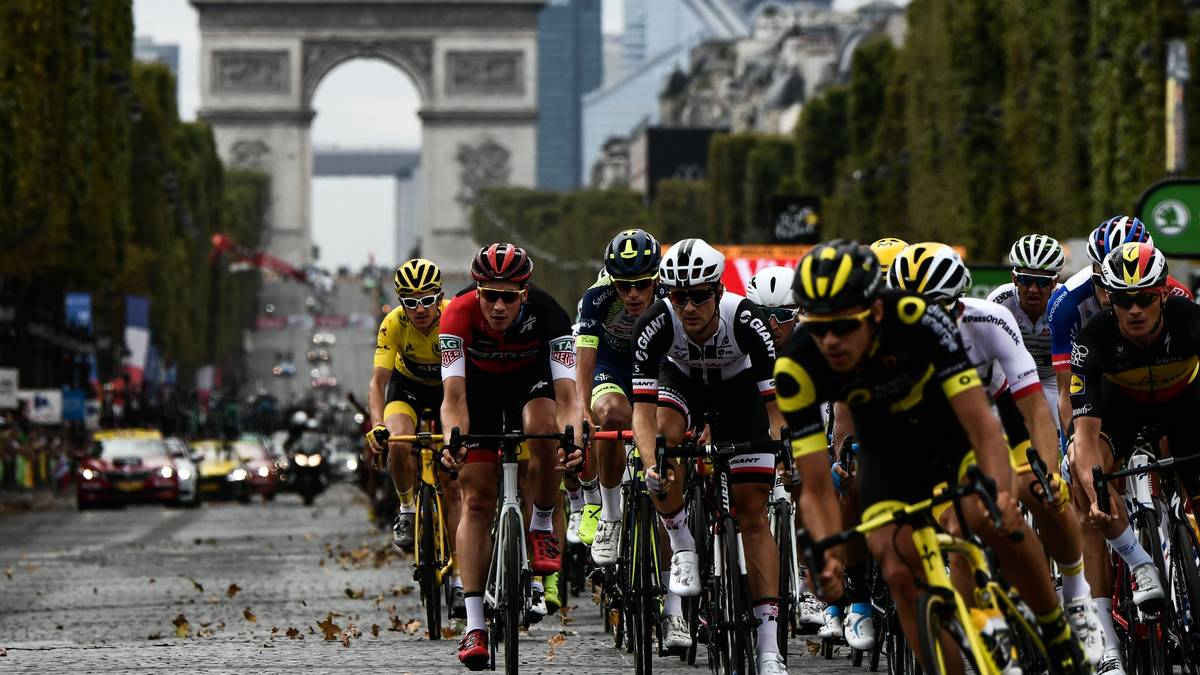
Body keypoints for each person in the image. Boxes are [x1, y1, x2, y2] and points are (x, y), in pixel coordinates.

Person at [777, 240, 1089, 675]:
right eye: (818, 326)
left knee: (990, 515)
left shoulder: (920, 320)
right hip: (888, 450)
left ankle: (1056, 630)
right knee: (896, 565)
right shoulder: (797, 363)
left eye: (845, 326)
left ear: (877, 312)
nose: (830, 341)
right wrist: (825, 548)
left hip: (952, 428)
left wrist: (1001, 487)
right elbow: (814, 485)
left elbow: (981, 422)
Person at [891, 241, 1103, 666]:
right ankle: (978, 632)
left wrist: (1049, 471)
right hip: (934, 428)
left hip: (997, 408)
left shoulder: (990, 318)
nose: (929, 322)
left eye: (941, 311)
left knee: (1040, 488)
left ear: (959, 305)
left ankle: (1077, 595)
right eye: (915, 310)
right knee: (956, 522)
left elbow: (1032, 408)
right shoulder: (883, 337)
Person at [630, 238, 789, 675]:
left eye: (699, 295)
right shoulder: (657, 323)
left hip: (739, 395)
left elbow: (774, 410)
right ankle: (682, 543)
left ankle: (769, 646)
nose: (688, 307)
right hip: (681, 384)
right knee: (665, 444)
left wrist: (782, 456)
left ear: (718, 291)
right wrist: (650, 465)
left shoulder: (747, 321)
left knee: (752, 514)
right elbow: (641, 413)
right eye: (678, 296)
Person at [438, 243, 581, 671]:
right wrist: (452, 439)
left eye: (509, 297)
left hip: (530, 382)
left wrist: (572, 438)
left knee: (544, 429)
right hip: (479, 392)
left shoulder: (552, 314)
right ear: (477, 290)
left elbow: (569, 396)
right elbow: (453, 397)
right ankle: (476, 625)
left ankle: (540, 524)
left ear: (525, 292)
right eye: (490, 296)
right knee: (477, 499)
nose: (499, 306)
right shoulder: (456, 315)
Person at [1069, 243, 1195, 675]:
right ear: (1110, 298)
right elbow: (1084, 436)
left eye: (1144, 297)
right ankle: (1105, 642)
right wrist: (1094, 486)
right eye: (1124, 299)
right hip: (1121, 409)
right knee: (1084, 482)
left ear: (1162, 293)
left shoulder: (1190, 320)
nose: (1135, 309)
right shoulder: (1094, 338)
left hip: (1184, 405)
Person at [364, 259, 465, 615]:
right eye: (410, 302)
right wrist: (376, 424)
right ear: (400, 303)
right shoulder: (392, 323)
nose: (420, 309)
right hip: (406, 389)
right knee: (397, 440)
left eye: (427, 300)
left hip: (448, 391)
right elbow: (378, 382)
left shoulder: (456, 317)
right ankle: (407, 507)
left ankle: (458, 581)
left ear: (441, 297)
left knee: (453, 488)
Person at [1049, 216, 1191, 432]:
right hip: (1101, 375)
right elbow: (1067, 393)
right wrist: (1073, 449)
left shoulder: (1175, 294)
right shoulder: (1065, 304)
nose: (1110, 293)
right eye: (1103, 279)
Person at [575, 230, 664, 567]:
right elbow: (585, 359)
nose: (632, 294)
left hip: (656, 365)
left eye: (642, 284)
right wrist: (583, 409)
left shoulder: (672, 293)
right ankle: (610, 516)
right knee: (611, 415)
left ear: (656, 277)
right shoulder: (595, 297)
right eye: (623, 285)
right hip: (612, 365)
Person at [988, 234, 1066, 431]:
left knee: (1063, 432)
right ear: (1014, 278)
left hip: (1052, 378)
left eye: (1041, 282)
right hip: (1011, 377)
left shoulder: (1064, 302)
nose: (1032, 289)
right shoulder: (1000, 301)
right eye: (1025, 280)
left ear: (1054, 282)